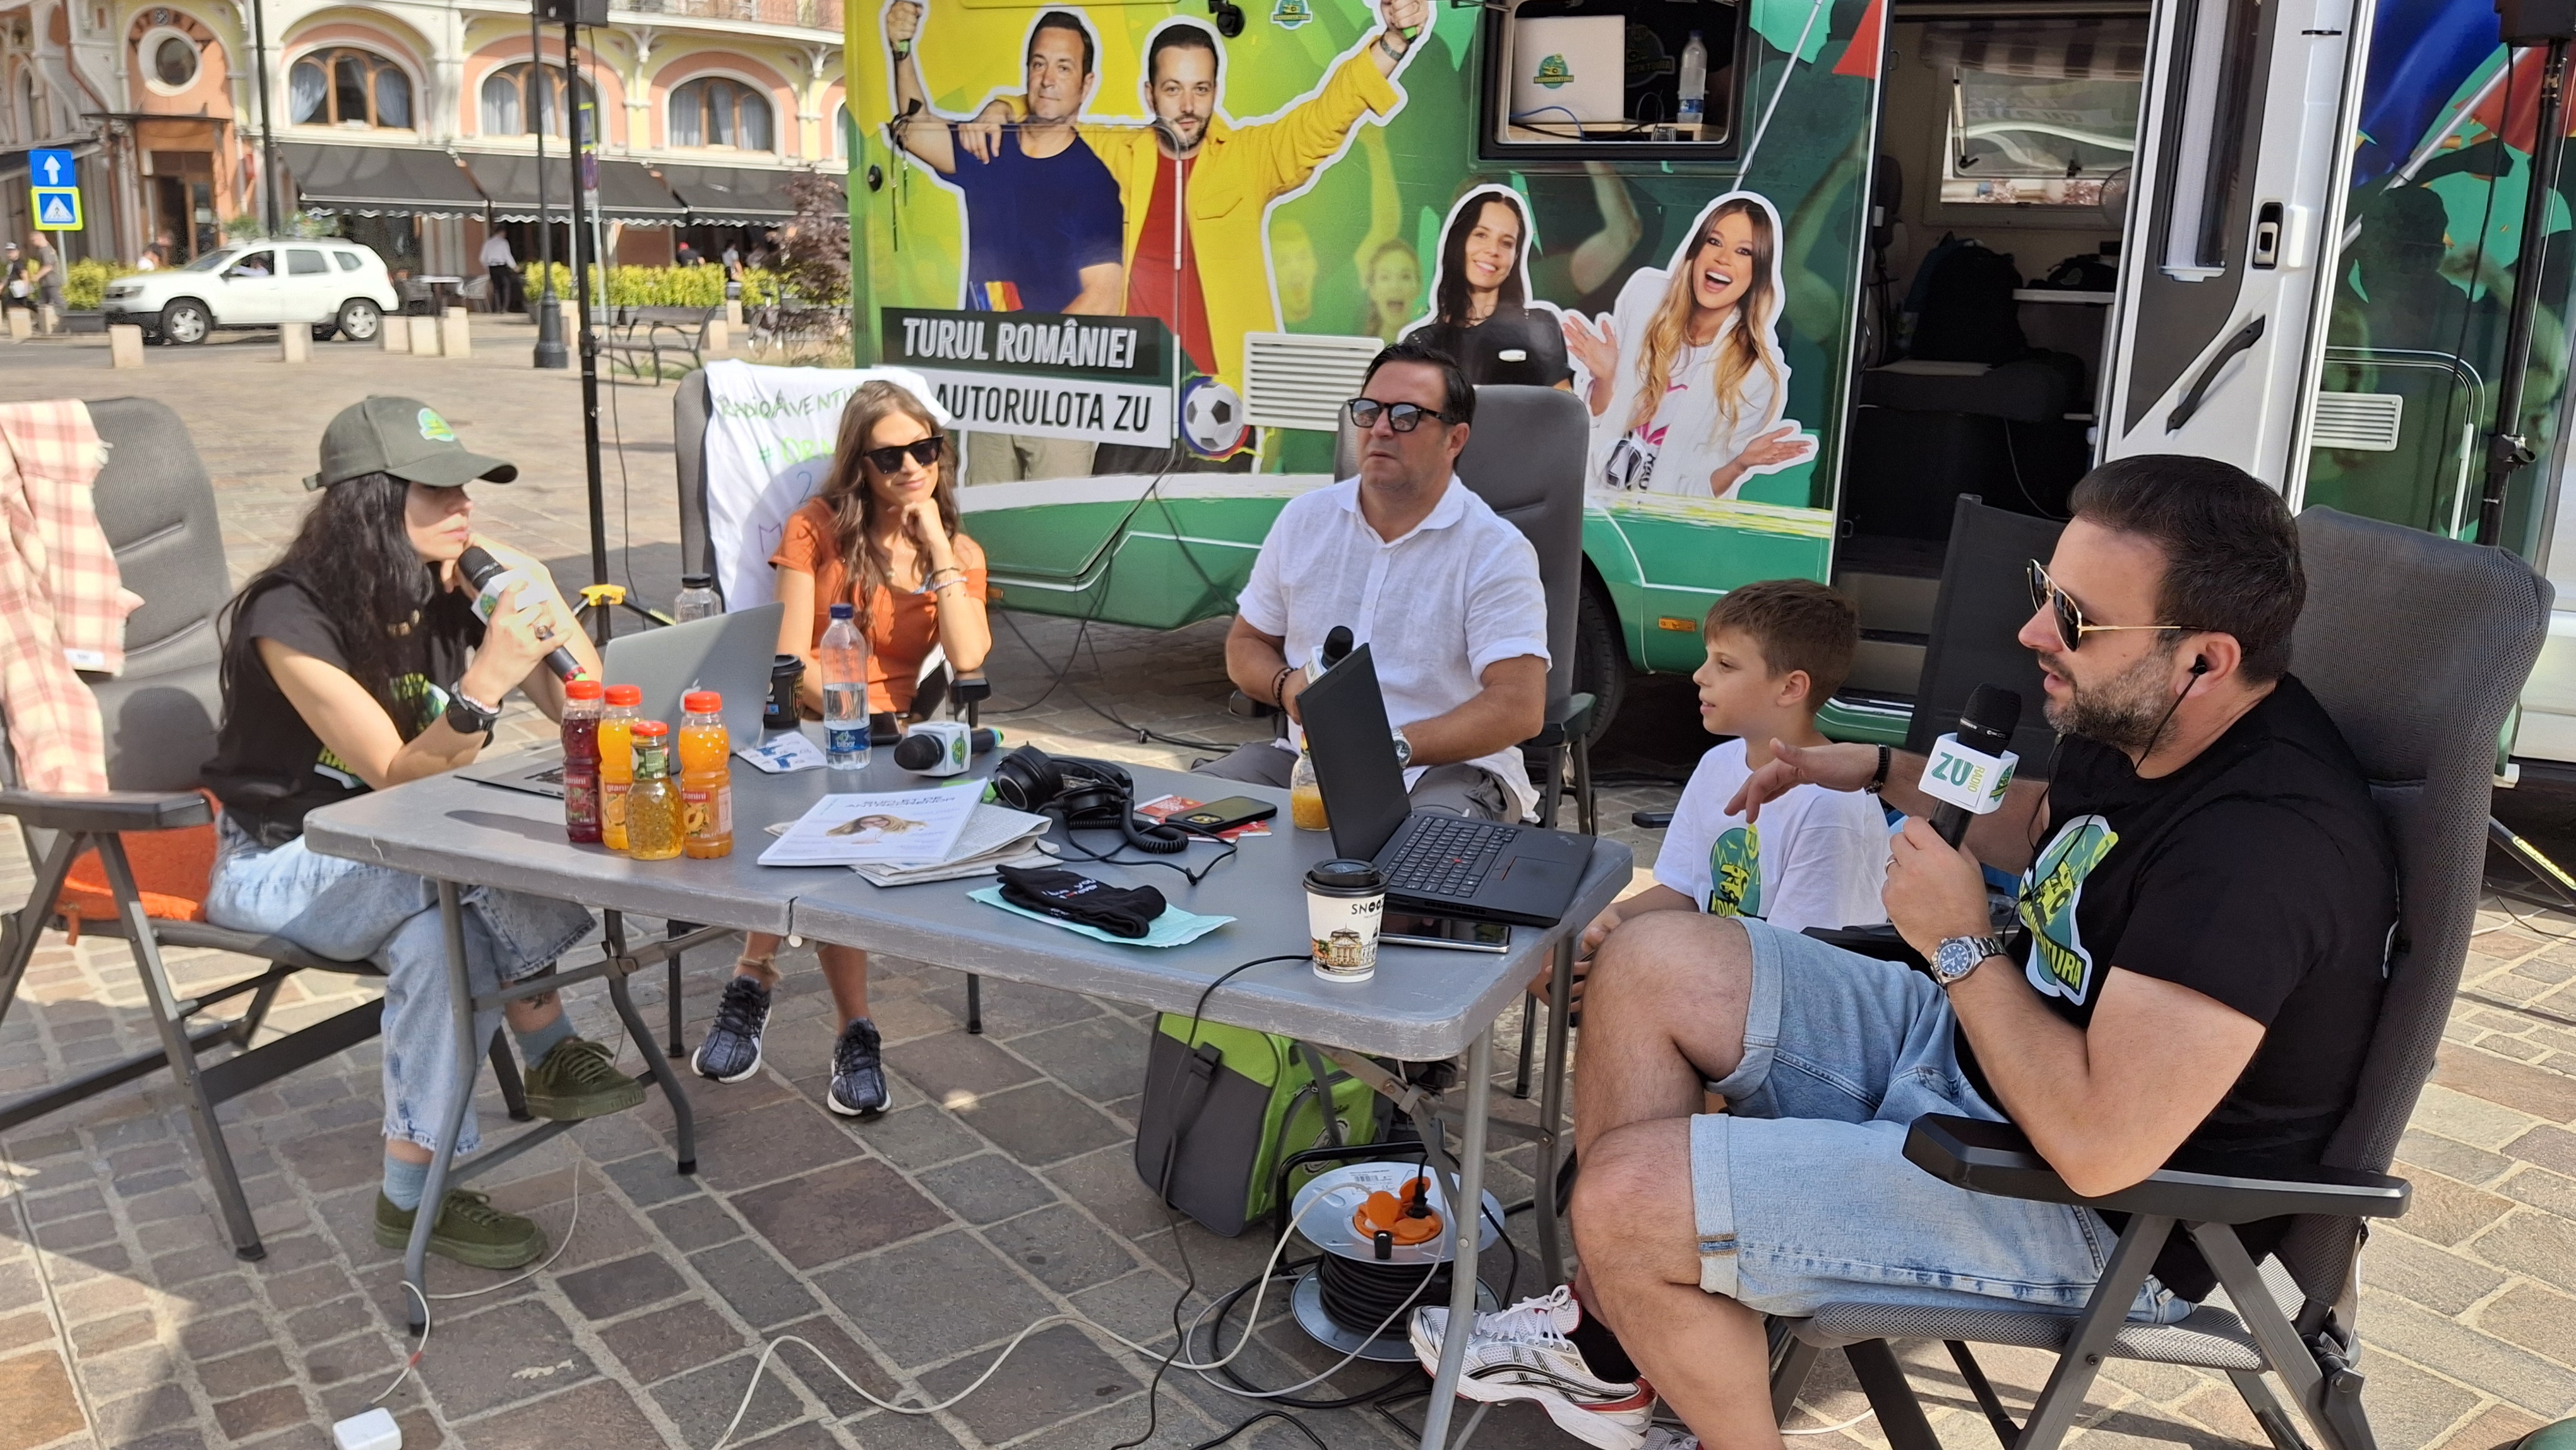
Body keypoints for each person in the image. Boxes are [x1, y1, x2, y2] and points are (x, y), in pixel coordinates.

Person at [1414, 456, 2396, 1450]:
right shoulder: (2150, 712)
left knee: (1626, 1202)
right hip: (1985, 1057)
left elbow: (2102, 1147)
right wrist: (1879, 770)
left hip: (2099, 1213)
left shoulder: (2263, 851)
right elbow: (2061, 825)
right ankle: (1611, 1346)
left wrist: (1961, 944)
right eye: (2045, 590)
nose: (2035, 632)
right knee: (1651, 956)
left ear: (2207, 659)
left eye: (2076, 619)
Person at [201, 398, 623, 1272]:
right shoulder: (288, 618)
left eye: (465, 485)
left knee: (440, 942)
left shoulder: (449, 584)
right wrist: (484, 684)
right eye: (437, 489)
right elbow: (397, 776)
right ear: (370, 502)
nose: (464, 503)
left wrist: (542, 611)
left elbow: (593, 714)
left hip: (399, 855)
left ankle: (410, 1197)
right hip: (286, 860)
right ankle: (547, 1040)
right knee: (475, 844)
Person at [689, 380, 993, 1115]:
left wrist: (936, 547)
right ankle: (853, 1028)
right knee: (833, 831)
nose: (912, 467)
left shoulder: (957, 550)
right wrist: (861, 713)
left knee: (842, 825)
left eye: (925, 450)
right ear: (860, 465)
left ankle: (753, 979)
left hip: (903, 743)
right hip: (818, 725)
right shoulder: (816, 529)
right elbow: (790, 658)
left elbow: (970, 658)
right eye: (891, 457)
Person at [964, 1, 1425, 415]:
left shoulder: (1248, 158)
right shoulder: (1111, 154)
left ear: (1215, 91)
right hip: (1127, 399)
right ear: (1150, 94)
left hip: (1224, 401)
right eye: (1173, 90)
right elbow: (1049, 122)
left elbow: (1327, 115)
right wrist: (1005, 107)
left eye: (1200, 90)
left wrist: (1393, 42)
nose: (1187, 107)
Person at [1198, 341, 1548, 824]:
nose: (1381, 428)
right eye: (1369, 411)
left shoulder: (1495, 549)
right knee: (1182, 821)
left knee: (1422, 853)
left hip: (1446, 771)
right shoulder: (1305, 519)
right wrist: (1284, 687)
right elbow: (1246, 643)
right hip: (1306, 764)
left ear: (1455, 439)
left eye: (1406, 416)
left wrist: (1390, 748)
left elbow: (1519, 706)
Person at [1578, 579, 1887, 963]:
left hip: (1779, 983)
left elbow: (1799, 961)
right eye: (1708, 658)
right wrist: (1618, 917)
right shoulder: (1717, 763)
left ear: (1791, 688)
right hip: (1722, 969)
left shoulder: (1831, 805)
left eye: (1725, 665)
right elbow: (1687, 892)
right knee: (1556, 965)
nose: (1700, 675)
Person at [886, 4, 1122, 483]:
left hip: (1060, 397)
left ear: (1087, 84)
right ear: (1027, 72)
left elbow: (1103, 295)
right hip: (992, 394)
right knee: (988, 520)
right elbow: (915, 130)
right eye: (1039, 64)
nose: (1048, 79)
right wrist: (901, 50)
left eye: (1064, 67)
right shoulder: (991, 146)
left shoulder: (1093, 181)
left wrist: (1023, 355)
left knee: (1052, 522)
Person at [1564, 193, 1815, 500]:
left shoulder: (1755, 374)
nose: (1723, 258)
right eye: (1714, 242)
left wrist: (1739, 465)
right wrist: (1606, 378)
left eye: (1743, 251)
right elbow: (1597, 429)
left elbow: (1696, 492)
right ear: (1696, 252)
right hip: (1590, 505)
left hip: (1662, 521)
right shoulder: (1645, 299)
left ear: (1757, 273)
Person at [1405, 188, 1573, 389]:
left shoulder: (1537, 327)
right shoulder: (1421, 344)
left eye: (1507, 243)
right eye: (1481, 235)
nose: (1493, 250)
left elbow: (1564, 404)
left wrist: (1603, 379)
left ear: (1516, 256)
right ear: (1459, 242)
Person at [480, 227, 520, 314]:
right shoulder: (503, 242)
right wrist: (514, 267)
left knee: (496, 288)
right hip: (502, 266)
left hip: (492, 267)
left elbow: (482, 258)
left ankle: (498, 308)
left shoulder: (488, 243)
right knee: (506, 287)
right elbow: (507, 256)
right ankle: (505, 308)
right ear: (502, 233)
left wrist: (487, 266)